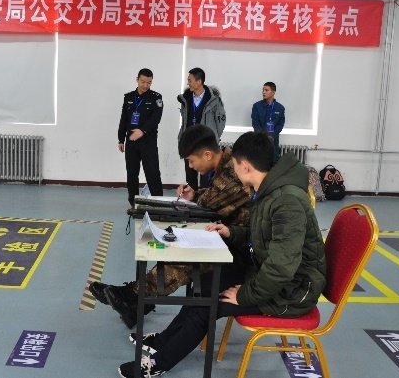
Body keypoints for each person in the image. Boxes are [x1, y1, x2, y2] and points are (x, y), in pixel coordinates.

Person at [117, 131, 327, 378]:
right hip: (269, 274)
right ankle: (163, 342)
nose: (233, 171)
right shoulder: (269, 190)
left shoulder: (286, 202)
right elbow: (264, 235)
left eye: (234, 165)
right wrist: (232, 232)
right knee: (204, 285)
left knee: (208, 305)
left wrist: (245, 295)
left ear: (245, 166)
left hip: (293, 292)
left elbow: (282, 267)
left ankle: (157, 363)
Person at [90, 124, 251, 329]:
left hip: (241, 248)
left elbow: (210, 203)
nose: (191, 166)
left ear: (208, 155)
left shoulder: (231, 173)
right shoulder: (227, 165)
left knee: (186, 256)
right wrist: (195, 195)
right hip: (232, 236)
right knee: (177, 248)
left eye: (191, 160)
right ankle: (137, 301)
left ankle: (133, 297)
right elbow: (217, 198)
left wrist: (197, 198)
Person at [118, 68, 164, 207]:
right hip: (131, 140)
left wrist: (142, 130)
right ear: (137, 79)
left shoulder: (156, 97)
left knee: (152, 173)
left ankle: (159, 204)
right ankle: (133, 203)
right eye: (143, 82)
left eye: (149, 83)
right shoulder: (128, 97)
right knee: (132, 173)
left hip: (148, 141)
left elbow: (156, 118)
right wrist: (121, 139)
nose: (145, 85)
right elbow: (124, 119)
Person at [177, 67, 226, 191]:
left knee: (206, 179)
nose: (188, 83)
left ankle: (205, 199)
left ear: (199, 81)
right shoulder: (185, 99)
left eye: (190, 80)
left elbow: (220, 122)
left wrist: (213, 137)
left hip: (205, 144)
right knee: (190, 176)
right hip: (189, 142)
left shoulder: (214, 100)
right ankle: (192, 198)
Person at [251, 81, 285, 161]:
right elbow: (255, 123)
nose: (263, 92)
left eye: (266, 90)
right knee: (259, 162)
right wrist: (263, 137)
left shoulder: (280, 108)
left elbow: (280, 124)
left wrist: (271, 136)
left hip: (273, 141)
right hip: (260, 140)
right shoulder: (256, 106)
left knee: (273, 162)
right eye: (263, 90)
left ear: (273, 92)